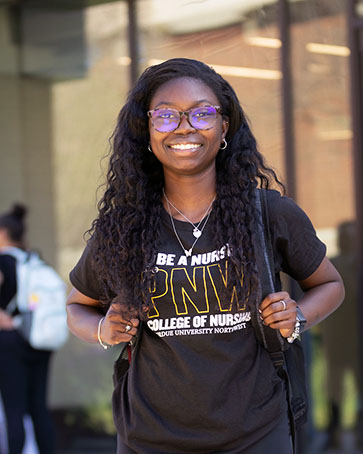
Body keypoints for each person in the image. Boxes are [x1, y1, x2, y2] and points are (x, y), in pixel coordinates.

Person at [66, 58, 344, 454]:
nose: (184, 126)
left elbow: (330, 285)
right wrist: (101, 329)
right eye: (165, 116)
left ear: (224, 126)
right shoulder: (124, 226)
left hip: (255, 432)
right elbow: (77, 306)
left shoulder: (268, 213)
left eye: (202, 113)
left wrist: (297, 315)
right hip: (149, 437)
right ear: (146, 130)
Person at [0, 204, 55, 454]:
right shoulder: (34, 260)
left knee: (14, 409)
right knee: (38, 408)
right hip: (39, 338)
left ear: (2, 233)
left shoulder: (3, 262)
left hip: (10, 341)